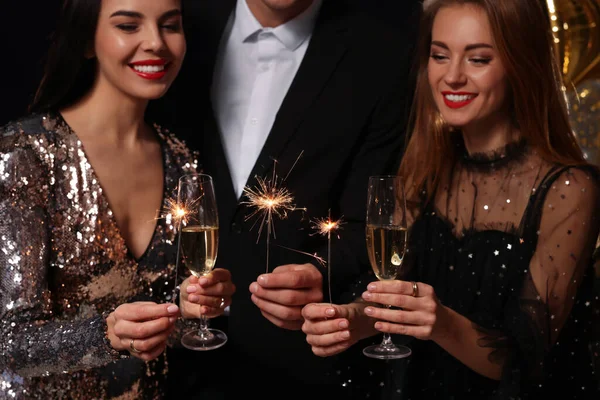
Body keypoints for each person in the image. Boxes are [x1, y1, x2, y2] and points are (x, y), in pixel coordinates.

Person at [301, 0, 600, 398]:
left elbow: (527, 359)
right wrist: (350, 320)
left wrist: (442, 323)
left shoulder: (569, 189)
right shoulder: (422, 166)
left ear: (520, 64)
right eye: (439, 55)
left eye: (478, 59)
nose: (452, 76)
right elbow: (393, 286)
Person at [149, 0, 421, 397]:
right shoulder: (174, 28)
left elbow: (373, 219)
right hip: (166, 367)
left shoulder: (383, 52)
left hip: (300, 370)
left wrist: (320, 271)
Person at [0, 0, 234, 399]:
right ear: (87, 40)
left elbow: (165, 331)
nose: (155, 43)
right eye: (128, 25)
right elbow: (10, 343)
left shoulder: (182, 161)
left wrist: (191, 309)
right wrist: (104, 334)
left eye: (170, 26)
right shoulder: (25, 154)